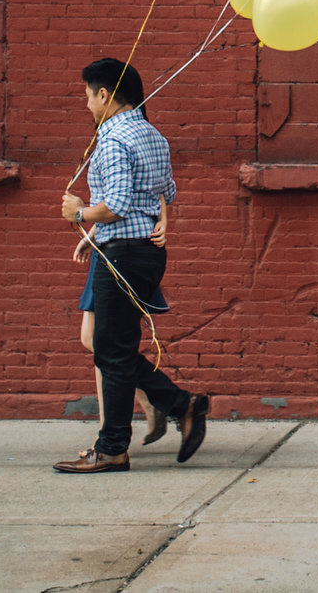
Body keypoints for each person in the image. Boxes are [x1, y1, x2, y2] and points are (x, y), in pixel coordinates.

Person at [54, 57, 210, 473]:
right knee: (113, 349)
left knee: (111, 350)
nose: (86, 105)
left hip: (122, 252)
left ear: (105, 95)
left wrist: (79, 214)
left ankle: (168, 412)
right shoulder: (153, 134)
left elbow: (119, 204)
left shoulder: (113, 138)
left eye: (88, 96)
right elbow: (167, 192)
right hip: (143, 253)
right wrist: (106, 231)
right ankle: (129, 437)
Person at [78, 198, 170, 447]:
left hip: (118, 250)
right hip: (110, 244)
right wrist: (92, 235)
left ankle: (113, 429)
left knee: (101, 341)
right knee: (101, 342)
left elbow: (122, 199)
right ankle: (151, 403)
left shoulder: (116, 155)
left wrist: (164, 221)